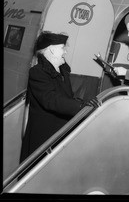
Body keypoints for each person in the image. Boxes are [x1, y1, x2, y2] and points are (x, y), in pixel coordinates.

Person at [20, 31, 99, 163]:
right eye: (62, 48)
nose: (65, 52)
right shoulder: (37, 72)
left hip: (61, 133)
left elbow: (66, 98)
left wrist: (83, 103)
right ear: (51, 50)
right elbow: (52, 100)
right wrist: (81, 107)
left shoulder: (63, 71)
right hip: (45, 137)